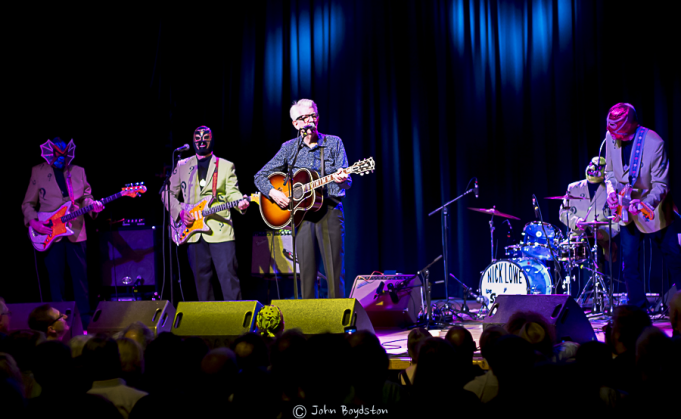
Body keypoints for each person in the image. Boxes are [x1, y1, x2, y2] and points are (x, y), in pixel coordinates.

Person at [254, 99, 351, 298]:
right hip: (302, 217)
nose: (309, 121)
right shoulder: (290, 148)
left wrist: (342, 179)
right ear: (295, 124)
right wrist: (274, 193)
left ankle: (338, 322)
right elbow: (259, 176)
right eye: (303, 118)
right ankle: (310, 323)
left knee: (334, 272)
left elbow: (347, 182)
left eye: (312, 116)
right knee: (306, 275)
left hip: (330, 212)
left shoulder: (334, 143)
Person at [603, 103, 680, 309]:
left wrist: (645, 204)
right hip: (626, 209)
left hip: (655, 210)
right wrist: (611, 193)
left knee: (674, 259)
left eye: (619, 133)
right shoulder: (611, 137)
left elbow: (661, 185)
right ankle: (638, 310)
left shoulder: (655, 143)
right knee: (629, 263)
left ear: (631, 125)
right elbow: (609, 173)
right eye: (613, 133)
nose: (615, 138)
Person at [162, 126, 250, 301]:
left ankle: (237, 324)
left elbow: (232, 192)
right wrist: (179, 212)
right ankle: (208, 325)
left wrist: (241, 202)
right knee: (202, 285)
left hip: (220, 231)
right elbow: (166, 192)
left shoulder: (225, 165)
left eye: (205, 137)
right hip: (192, 231)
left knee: (229, 280)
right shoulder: (182, 165)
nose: (201, 140)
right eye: (197, 137)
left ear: (212, 140)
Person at [21, 138, 103, 323]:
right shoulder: (38, 171)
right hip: (50, 232)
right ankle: (58, 320)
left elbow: (86, 198)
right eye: (58, 156)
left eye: (64, 156)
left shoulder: (78, 171)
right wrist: (34, 223)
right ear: (50, 153)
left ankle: (85, 320)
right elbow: (28, 203)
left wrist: (93, 205)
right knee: (56, 280)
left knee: (80, 279)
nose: (61, 160)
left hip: (76, 231)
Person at [559, 156, 620, 264]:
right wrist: (576, 221)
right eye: (592, 165)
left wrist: (605, 233)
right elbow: (563, 213)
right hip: (577, 238)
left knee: (600, 262)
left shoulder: (611, 190)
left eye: (598, 167)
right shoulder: (573, 188)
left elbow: (617, 218)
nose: (593, 169)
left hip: (601, 239)